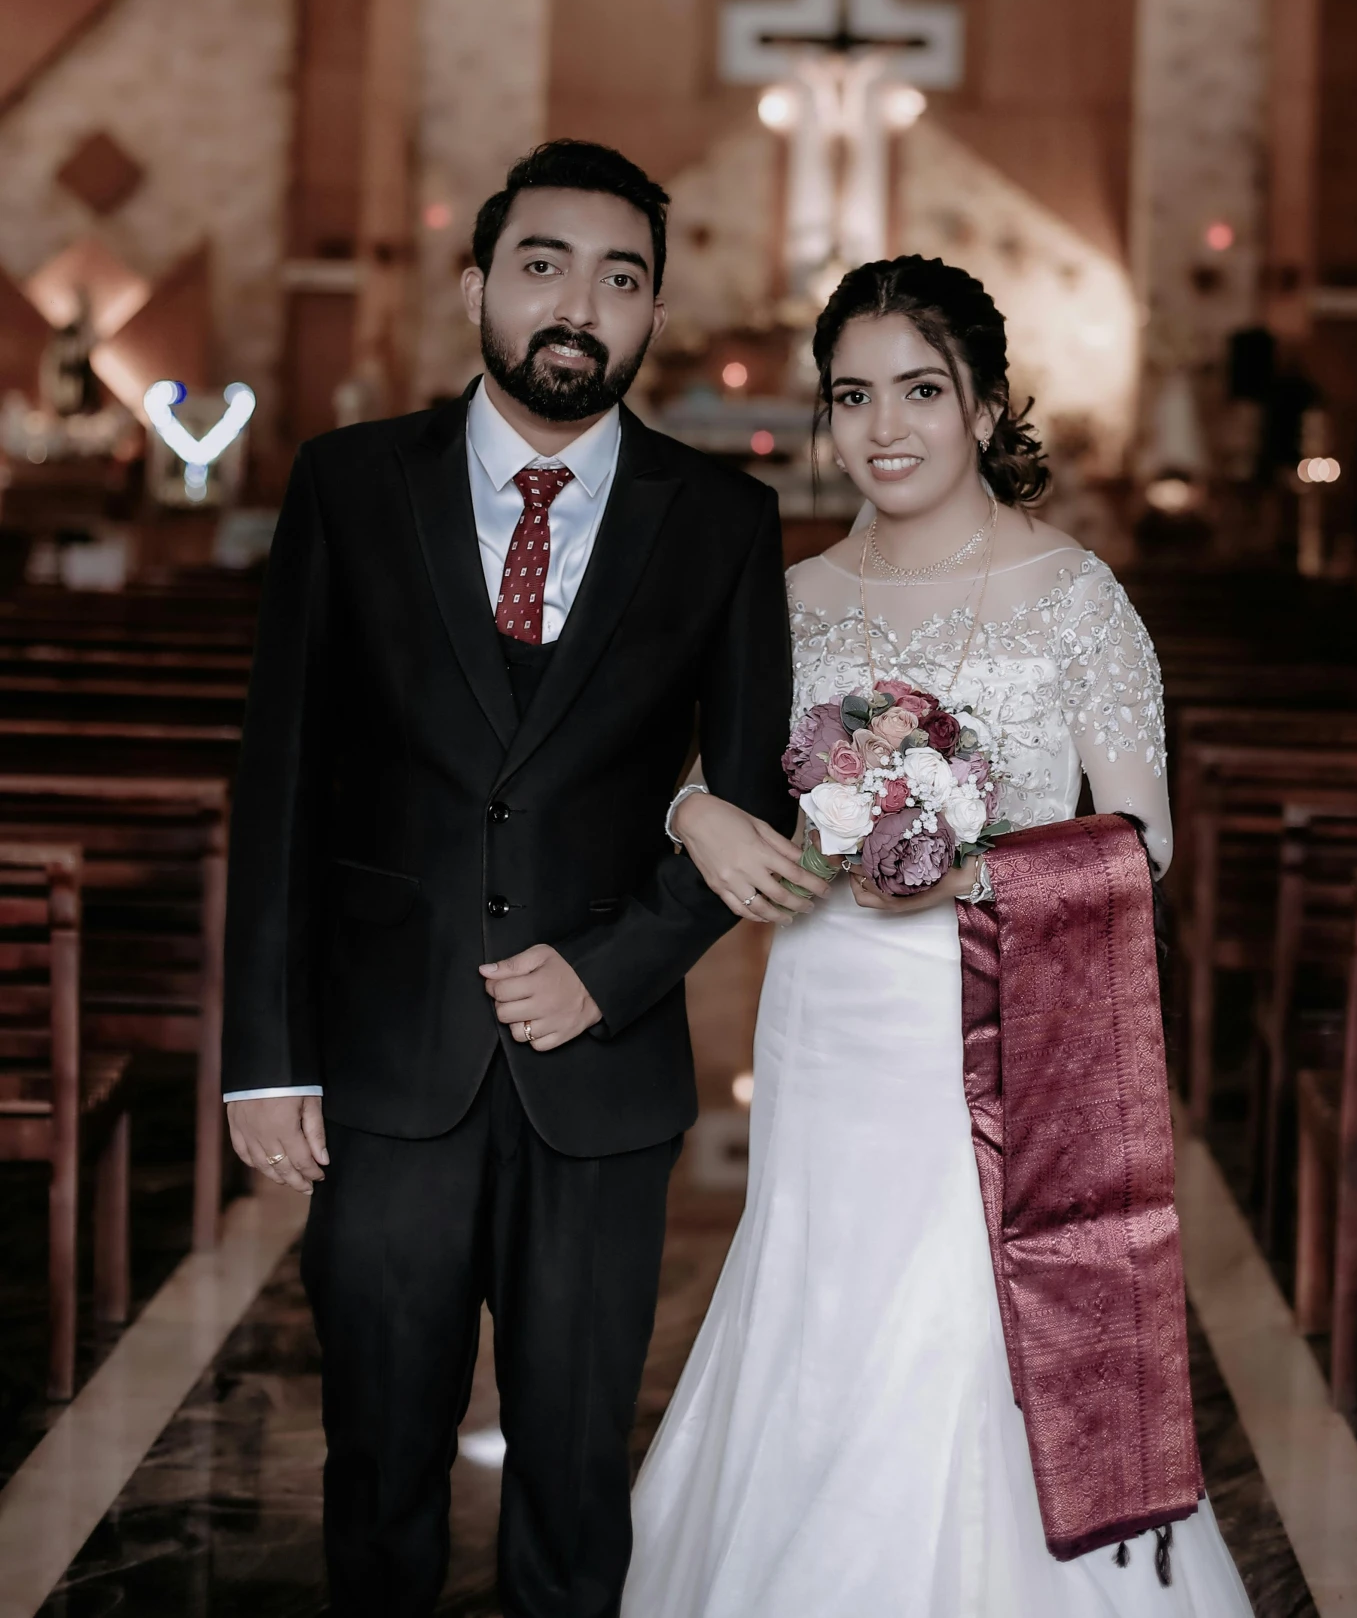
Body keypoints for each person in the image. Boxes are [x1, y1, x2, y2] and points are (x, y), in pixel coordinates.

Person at [221, 139, 808, 1618]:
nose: (579, 303)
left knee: (571, 1481)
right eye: (543, 263)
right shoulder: (349, 484)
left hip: (599, 1078)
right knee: (378, 1475)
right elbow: (280, 779)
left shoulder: (720, 519)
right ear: (478, 283)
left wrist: (607, 966)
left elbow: (749, 805)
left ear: (651, 316)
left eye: (621, 278)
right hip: (382, 1057)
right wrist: (266, 1058)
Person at [632, 255, 1253, 1618]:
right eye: (850, 395)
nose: (883, 427)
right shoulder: (784, 600)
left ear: (983, 405)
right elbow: (686, 781)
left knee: (974, 1303)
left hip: (1006, 1012)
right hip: (824, 1006)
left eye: (919, 389)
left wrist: (966, 867)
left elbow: (1138, 839)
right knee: (822, 1283)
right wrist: (692, 814)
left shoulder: (1074, 593)